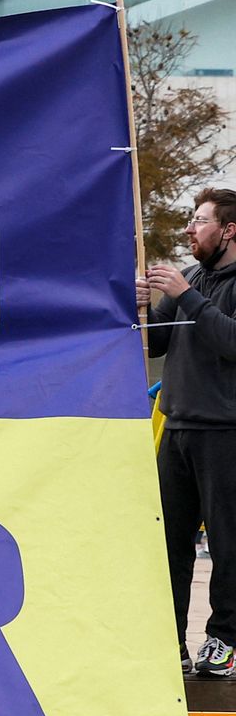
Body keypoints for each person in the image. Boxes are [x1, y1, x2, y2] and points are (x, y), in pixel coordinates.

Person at [146, 188, 236, 678]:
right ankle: (171, 641)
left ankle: (222, 640)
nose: (189, 229)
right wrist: (143, 308)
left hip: (225, 432)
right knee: (170, 544)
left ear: (228, 230)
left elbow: (230, 342)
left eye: (199, 221)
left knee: (228, 546)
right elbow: (157, 342)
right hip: (177, 427)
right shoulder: (194, 279)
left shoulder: (199, 287)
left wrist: (186, 296)